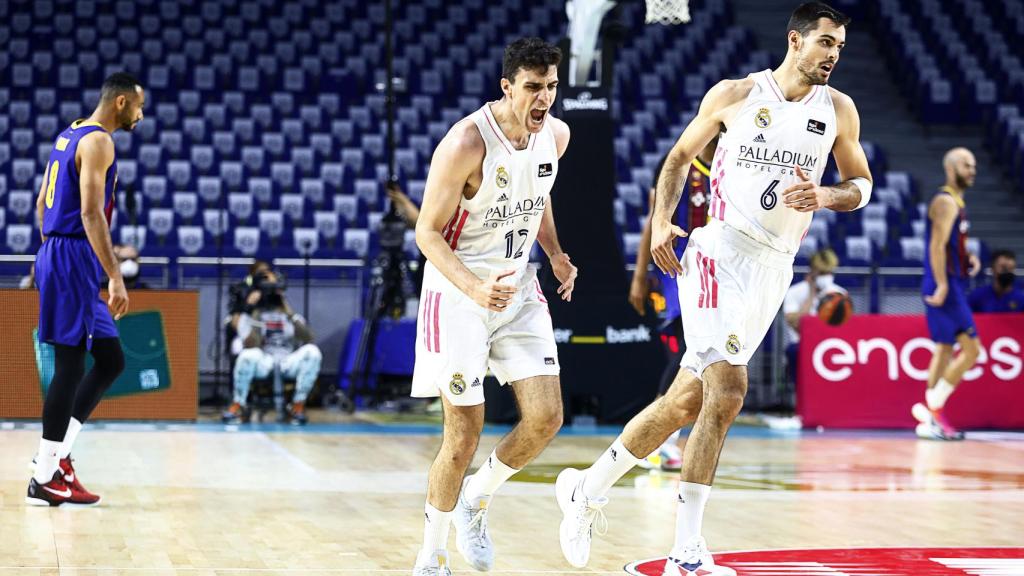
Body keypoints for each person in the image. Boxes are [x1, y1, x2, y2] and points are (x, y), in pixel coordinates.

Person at [556, 4, 871, 573]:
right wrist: (661, 221)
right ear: (795, 40)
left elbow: (861, 184)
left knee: (686, 401)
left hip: (775, 267)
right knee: (728, 389)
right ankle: (686, 551)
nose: (833, 54)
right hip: (719, 252)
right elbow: (678, 158)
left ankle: (586, 488)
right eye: (826, 42)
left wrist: (827, 196)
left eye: (840, 47)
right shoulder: (736, 94)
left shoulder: (839, 109)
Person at [410, 37, 576, 576]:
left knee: (547, 417)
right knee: (463, 435)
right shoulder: (466, 142)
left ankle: (476, 498)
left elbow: (537, 195)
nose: (544, 97)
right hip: (458, 292)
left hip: (518, 287)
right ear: (507, 87)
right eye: (533, 87)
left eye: (552, 86)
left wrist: (555, 253)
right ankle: (432, 555)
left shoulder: (556, 135)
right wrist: (474, 288)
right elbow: (426, 232)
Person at [27, 72, 144, 506]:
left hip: (62, 253)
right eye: (139, 106)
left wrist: (50, 250)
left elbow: (41, 203)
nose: (141, 115)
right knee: (70, 365)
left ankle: (59, 458)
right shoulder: (99, 141)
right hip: (73, 256)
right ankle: (43, 477)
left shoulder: (68, 134)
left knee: (111, 359)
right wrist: (115, 275)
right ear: (120, 102)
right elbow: (92, 214)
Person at [629, 138, 718, 472]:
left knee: (700, 357)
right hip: (676, 267)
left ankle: (662, 439)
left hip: (715, 270)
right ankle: (657, 441)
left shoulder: (734, 159)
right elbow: (654, 221)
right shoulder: (677, 162)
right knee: (685, 351)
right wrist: (640, 276)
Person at [914, 147, 982, 441]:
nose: (972, 170)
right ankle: (933, 407)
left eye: (974, 165)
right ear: (951, 169)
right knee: (972, 351)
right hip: (946, 285)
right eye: (967, 165)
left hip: (949, 282)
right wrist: (942, 284)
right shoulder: (945, 201)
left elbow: (951, 244)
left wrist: (968, 258)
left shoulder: (956, 201)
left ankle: (931, 419)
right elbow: (936, 245)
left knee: (943, 348)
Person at [222, 270, 322, 425]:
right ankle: (238, 404)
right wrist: (251, 309)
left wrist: (289, 312)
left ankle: (297, 405)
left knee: (313, 352)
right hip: (264, 361)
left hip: (287, 361)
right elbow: (250, 343)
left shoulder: (290, 314)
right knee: (247, 355)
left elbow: (309, 337)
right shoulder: (253, 314)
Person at [782, 248, 845, 384]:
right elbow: (795, 324)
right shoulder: (794, 292)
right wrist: (811, 294)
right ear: (812, 271)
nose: (826, 276)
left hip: (830, 345)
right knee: (793, 351)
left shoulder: (840, 294)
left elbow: (844, 327)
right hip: (801, 345)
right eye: (822, 273)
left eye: (829, 272)